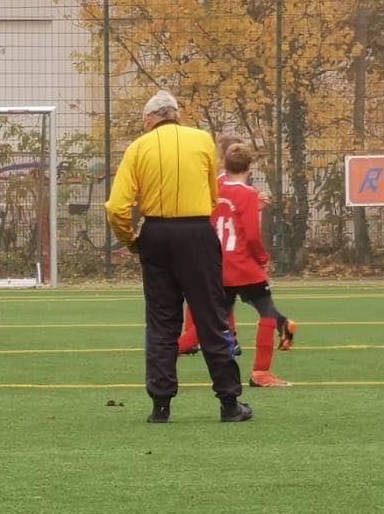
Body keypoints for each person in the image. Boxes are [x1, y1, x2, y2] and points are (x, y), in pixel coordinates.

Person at [104, 90, 252, 424]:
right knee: (212, 317)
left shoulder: (137, 148)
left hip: (155, 235)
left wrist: (132, 240)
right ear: (176, 115)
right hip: (197, 234)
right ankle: (229, 403)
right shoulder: (201, 141)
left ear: (149, 120)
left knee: (161, 322)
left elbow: (117, 208)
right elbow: (212, 195)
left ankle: (161, 406)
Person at [178, 143, 299, 387]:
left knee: (211, 322)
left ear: (224, 164)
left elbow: (221, 216)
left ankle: (167, 351)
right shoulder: (248, 194)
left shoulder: (215, 188)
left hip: (217, 266)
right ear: (250, 166)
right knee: (267, 313)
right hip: (244, 266)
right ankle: (261, 373)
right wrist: (263, 259)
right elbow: (252, 235)